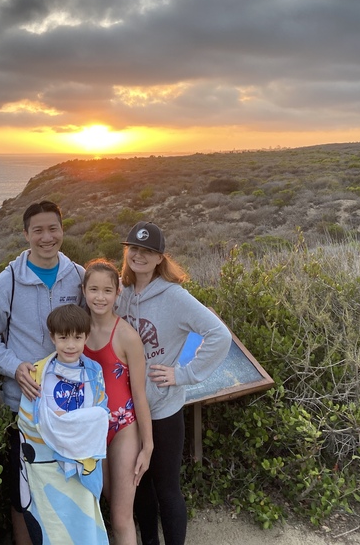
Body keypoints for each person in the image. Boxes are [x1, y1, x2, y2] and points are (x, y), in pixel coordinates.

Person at [0, 200, 85, 545]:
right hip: (21, 405)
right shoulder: (5, 283)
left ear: (62, 230)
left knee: (70, 481)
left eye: (53, 228)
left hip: (70, 404)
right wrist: (14, 366)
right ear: (26, 234)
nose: (46, 237)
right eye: (38, 230)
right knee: (22, 490)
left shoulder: (79, 277)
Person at [115, 222, 232, 545]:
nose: (139, 255)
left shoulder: (175, 297)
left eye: (147, 251)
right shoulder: (122, 295)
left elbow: (219, 335)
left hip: (164, 409)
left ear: (159, 258)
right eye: (134, 249)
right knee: (140, 486)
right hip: (129, 410)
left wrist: (183, 374)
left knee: (167, 489)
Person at [17, 304, 110, 544]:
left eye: (78, 337)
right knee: (54, 528)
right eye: (63, 337)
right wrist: (66, 430)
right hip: (47, 467)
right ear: (52, 337)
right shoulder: (38, 371)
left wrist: (67, 428)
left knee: (84, 524)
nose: (70, 345)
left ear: (86, 337)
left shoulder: (93, 371)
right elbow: (27, 420)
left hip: (81, 464)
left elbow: (101, 414)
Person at [82, 259, 153, 545]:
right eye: (94, 289)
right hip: (91, 430)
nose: (100, 297)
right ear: (83, 290)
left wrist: (147, 446)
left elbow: (139, 395)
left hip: (123, 428)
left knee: (122, 516)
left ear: (117, 293)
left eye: (107, 290)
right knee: (105, 504)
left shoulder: (127, 336)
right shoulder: (78, 331)